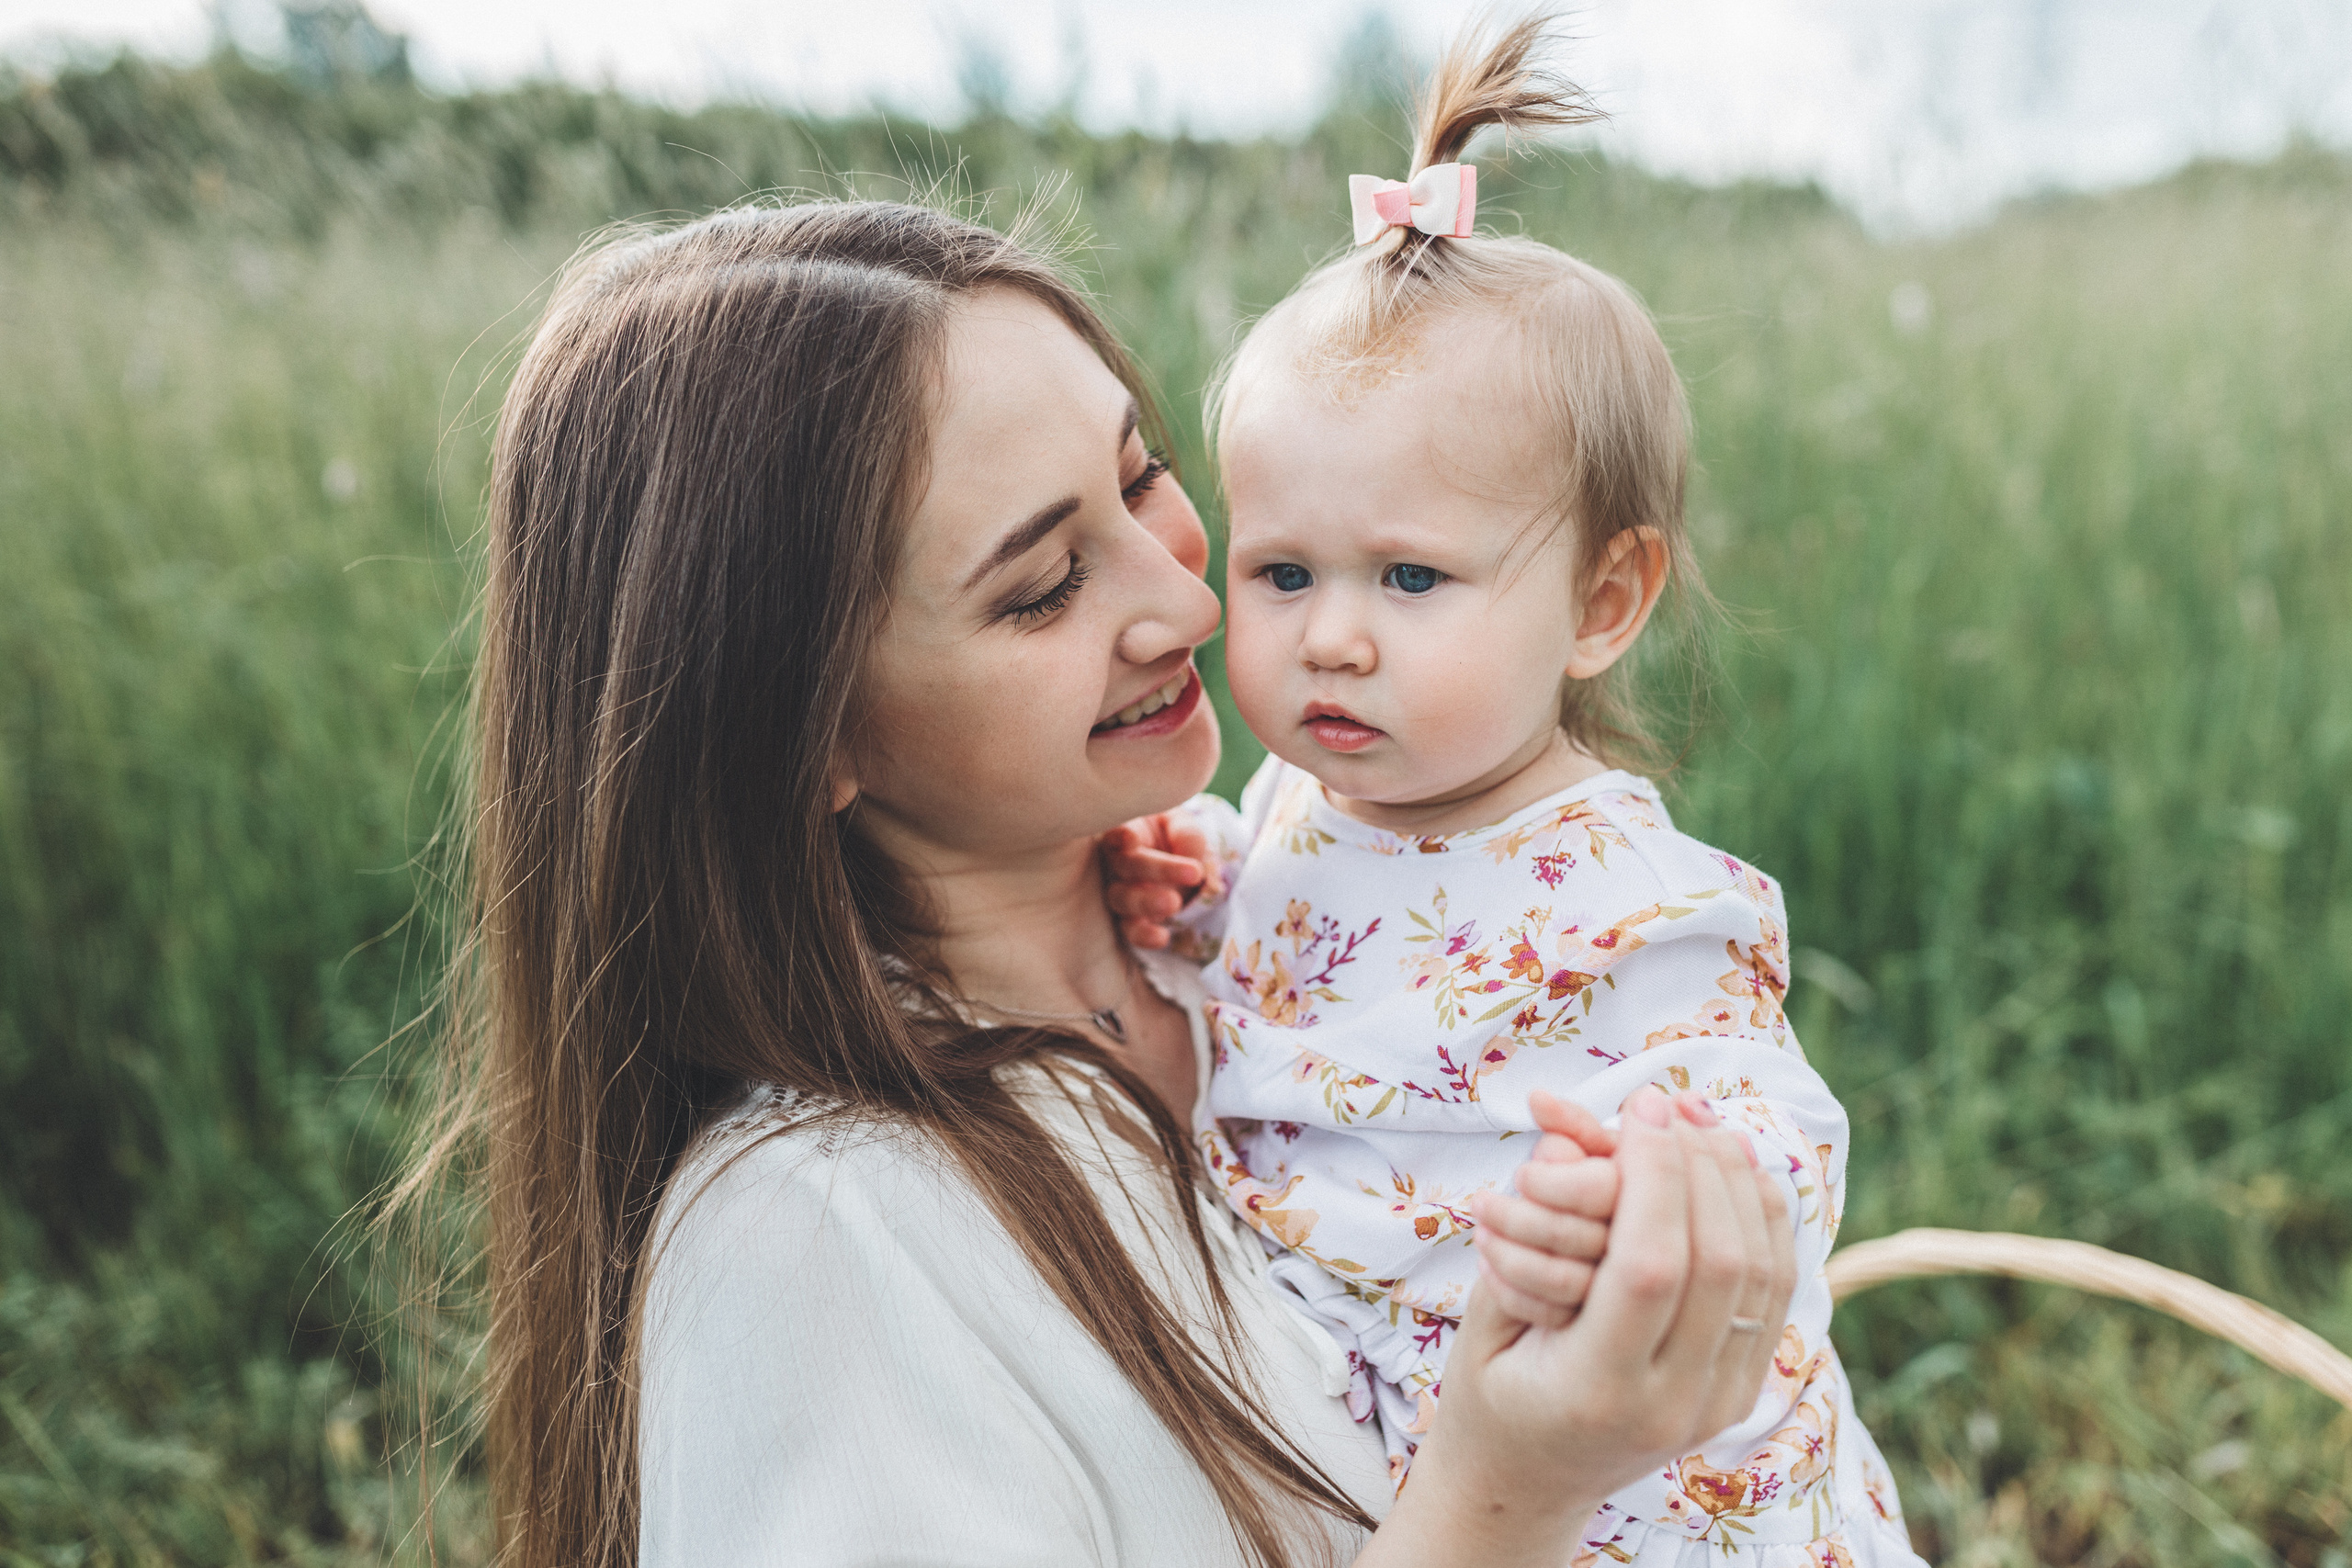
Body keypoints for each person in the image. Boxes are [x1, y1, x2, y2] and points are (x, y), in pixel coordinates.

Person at [431, 188, 1802, 1568]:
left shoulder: (1253, 905)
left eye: (1143, 477)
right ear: (810, 734)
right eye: (1041, 586)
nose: (1195, 606)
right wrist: (1509, 1493)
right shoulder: (822, 1251)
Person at [1099, 15, 1923, 1563]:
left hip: (1608, 1480)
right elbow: (1305, 960)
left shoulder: (1620, 891)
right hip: (1388, 1449)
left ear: (1603, 605)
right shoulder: (1294, 799)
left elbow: (1769, 1134)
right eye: (1283, 570)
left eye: (1412, 576)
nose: (1331, 635)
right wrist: (1196, 884)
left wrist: (1634, 1205)